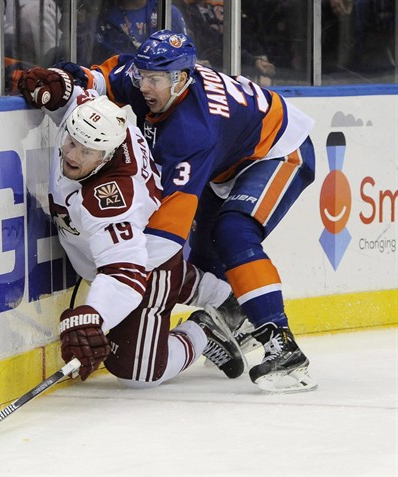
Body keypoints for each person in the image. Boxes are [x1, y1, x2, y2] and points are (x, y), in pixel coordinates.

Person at [18, 30, 317, 393]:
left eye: (154, 79)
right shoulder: (149, 79)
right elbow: (99, 80)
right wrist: (64, 81)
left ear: (182, 79)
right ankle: (223, 318)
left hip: (279, 150)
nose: (144, 85)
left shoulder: (193, 133)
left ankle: (281, 344)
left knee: (233, 232)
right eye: (142, 75)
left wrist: (125, 278)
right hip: (226, 159)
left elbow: (167, 234)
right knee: (206, 258)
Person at [16, 71, 246, 385]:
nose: (71, 154)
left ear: (106, 155)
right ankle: (219, 295)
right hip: (139, 246)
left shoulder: (109, 199)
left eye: (86, 152)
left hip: (151, 263)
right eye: (72, 142)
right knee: (149, 283)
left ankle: (205, 330)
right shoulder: (96, 124)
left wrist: (94, 319)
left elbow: (125, 272)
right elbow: (77, 98)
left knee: (137, 369)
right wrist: (57, 90)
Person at [92, 0, 187, 64]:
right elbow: (104, 61)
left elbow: (184, 54)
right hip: (123, 83)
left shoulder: (169, 12)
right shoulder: (109, 18)